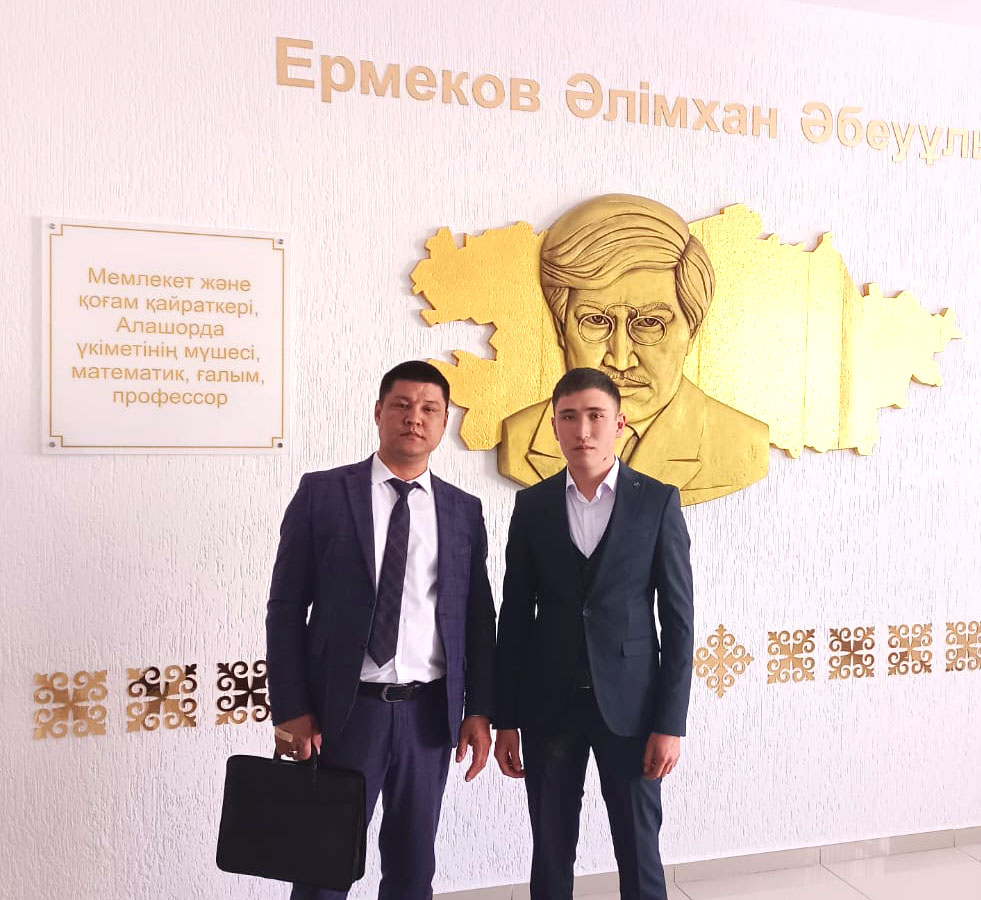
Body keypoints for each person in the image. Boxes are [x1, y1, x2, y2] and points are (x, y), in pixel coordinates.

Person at [265, 360, 496, 900]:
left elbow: (478, 618)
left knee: (413, 871)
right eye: (402, 405)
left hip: (428, 717)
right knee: (323, 869)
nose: (415, 418)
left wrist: (480, 709)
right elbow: (286, 607)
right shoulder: (323, 494)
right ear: (378, 412)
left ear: (443, 423)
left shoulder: (463, 511)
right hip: (344, 715)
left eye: (430, 409)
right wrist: (291, 709)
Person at [493, 366, 694, 899]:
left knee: (639, 850)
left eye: (595, 416)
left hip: (632, 709)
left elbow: (678, 622)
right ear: (554, 426)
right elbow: (514, 618)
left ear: (619, 424)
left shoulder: (656, 502)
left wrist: (670, 722)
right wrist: (505, 718)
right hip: (547, 706)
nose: (582, 430)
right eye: (568, 417)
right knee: (550, 850)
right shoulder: (532, 506)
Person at [497, 193, 768, 505]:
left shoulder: (742, 443)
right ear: (561, 330)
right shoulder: (521, 437)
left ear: (692, 332)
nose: (621, 359)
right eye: (595, 321)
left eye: (650, 323)